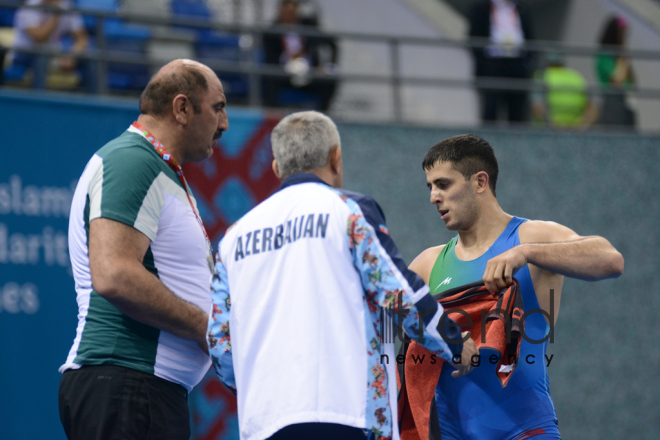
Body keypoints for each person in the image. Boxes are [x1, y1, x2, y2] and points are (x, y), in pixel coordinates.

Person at [207, 111, 478, 440]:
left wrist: (261, 388)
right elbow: (396, 292)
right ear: (336, 158)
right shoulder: (349, 210)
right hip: (346, 414)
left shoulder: (233, 239)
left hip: (263, 422)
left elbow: (219, 342)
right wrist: (451, 340)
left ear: (277, 168)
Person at [399, 134, 624, 439]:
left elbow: (610, 260)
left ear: (480, 182)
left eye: (443, 184)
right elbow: (381, 313)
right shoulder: (429, 262)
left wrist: (527, 252)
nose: (433, 197)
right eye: (430, 187)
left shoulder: (530, 236)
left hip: (524, 429)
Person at [59, 59, 229, 440]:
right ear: (182, 108)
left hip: (139, 393)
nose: (224, 124)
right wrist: (206, 328)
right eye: (218, 108)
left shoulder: (157, 168)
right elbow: (114, 274)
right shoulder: (132, 161)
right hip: (127, 388)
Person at [262, 0, 338, 110]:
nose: (289, 17)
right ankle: (272, 116)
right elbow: (270, 59)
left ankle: (322, 115)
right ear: (280, 12)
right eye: (286, 13)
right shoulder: (271, 32)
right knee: (270, 81)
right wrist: (288, 58)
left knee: (329, 80)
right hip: (284, 75)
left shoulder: (307, 26)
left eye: (292, 13)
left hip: (310, 73)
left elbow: (331, 42)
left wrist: (327, 64)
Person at [469, 0, 534, 123]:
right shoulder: (481, 9)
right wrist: (483, 63)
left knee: (517, 114)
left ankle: (516, 141)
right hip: (492, 66)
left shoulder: (522, 9)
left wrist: (527, 63)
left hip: (517, 65)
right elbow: (473, 38)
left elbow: (530, 37)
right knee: (490, 111)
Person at [7, 0, 89, 89]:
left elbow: (81, 37)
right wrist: (56, 15)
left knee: (92, 58)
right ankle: (38, 98)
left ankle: (94, 99)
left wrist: (72, 57)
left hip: (52, 54)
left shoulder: (66, 5)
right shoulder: (28, 7)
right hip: (25, 54)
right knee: (41, 58)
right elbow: (40, 39)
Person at [531, 51, 598, 129]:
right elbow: (593, 109)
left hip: (547, 131)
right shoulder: (576, 77)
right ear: (563, 63)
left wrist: (553, 126)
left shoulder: (541, 76)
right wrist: (583, 127)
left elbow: (537, 107)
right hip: (574, 131)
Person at [595, 15, 636, 128]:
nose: (624, 38)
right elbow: (617, 80)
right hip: (613, 103)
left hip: (627, 102)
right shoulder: (604, 56)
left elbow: (632, 82)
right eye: (622, 34)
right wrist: (623, 54)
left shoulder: (619, 57)